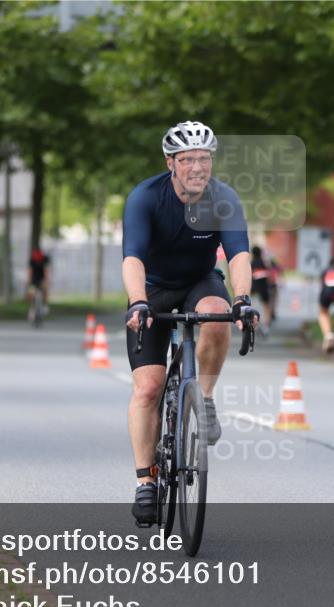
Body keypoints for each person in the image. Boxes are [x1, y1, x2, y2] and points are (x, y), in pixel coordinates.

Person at [122, 120, 258, 525]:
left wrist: (244, 301)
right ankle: (146, 482)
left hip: (200, 282)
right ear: (171, 163)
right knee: (148, 388)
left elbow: (238, 255)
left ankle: (207, 397)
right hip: (153, 287)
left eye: (204, 158)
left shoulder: (224, 199)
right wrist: (138, 303)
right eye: (188, 159)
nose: (198, 166)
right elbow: (132, 257)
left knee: (218, 313)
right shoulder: (145, 198)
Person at [250, 246, 272, 334]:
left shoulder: (251, 264)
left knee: (254, 308)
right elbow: (269, 276)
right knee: (266, 307)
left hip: (254, 290)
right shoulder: (264, 263)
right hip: (264, 289)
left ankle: (254, 325)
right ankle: (266, 325)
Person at [27, 247, 51, 320]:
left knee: (45, 289)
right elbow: (30, 271)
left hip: (42, 278)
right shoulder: (32, 260)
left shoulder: (45, 259)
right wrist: (29, 281)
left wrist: (47, 280)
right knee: (31, 292)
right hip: (34, 279)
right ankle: (32, 308)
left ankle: (45, 305)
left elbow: (46, 271)